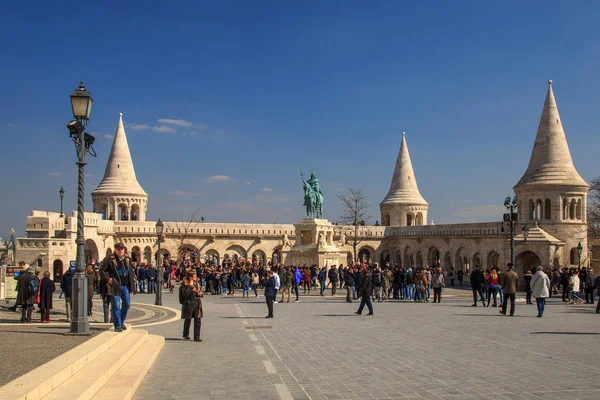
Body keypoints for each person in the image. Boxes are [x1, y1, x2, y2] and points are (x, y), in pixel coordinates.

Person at [100, 243, 136, 332]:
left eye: (121, 249)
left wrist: (133, 277)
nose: (120, 251)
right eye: (118, 249)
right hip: (114, 285)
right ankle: (118, 325)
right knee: (116, 305)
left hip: (125, 285)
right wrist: (108, 280)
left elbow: (131, 270)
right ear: (115, 250)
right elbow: (101, 271)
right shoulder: (109, 259)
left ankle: (121, 321)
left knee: (127, 304)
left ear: (124, 250)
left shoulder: (127, 259)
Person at [179, 269, 203, 341]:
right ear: (190, 277)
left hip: (197, 303)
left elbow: (200, 293)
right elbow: (185, 294)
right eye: (194, 275)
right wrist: (191, 286)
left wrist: (200, 294)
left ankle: (197, 336)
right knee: (188, 319)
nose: (196, 276)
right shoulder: (185, 284)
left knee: (198, 320)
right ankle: (186, 334)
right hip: (189, 304)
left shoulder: (197, 283)